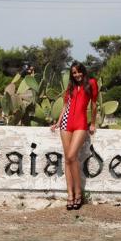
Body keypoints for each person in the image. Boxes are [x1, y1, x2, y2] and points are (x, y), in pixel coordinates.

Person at [50, 61, 98, 210]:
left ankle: (78, 193)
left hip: (80, 124)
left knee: (72, 156)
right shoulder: (70, 87)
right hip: (65, 123)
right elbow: (65, 106)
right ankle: (70, 194)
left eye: (78, 72)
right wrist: (58, 122)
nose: (77, 75)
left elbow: (94, 105)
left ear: (83, 71)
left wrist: (93, 123)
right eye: (74, 73)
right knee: (67, 159)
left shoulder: (91, 83)